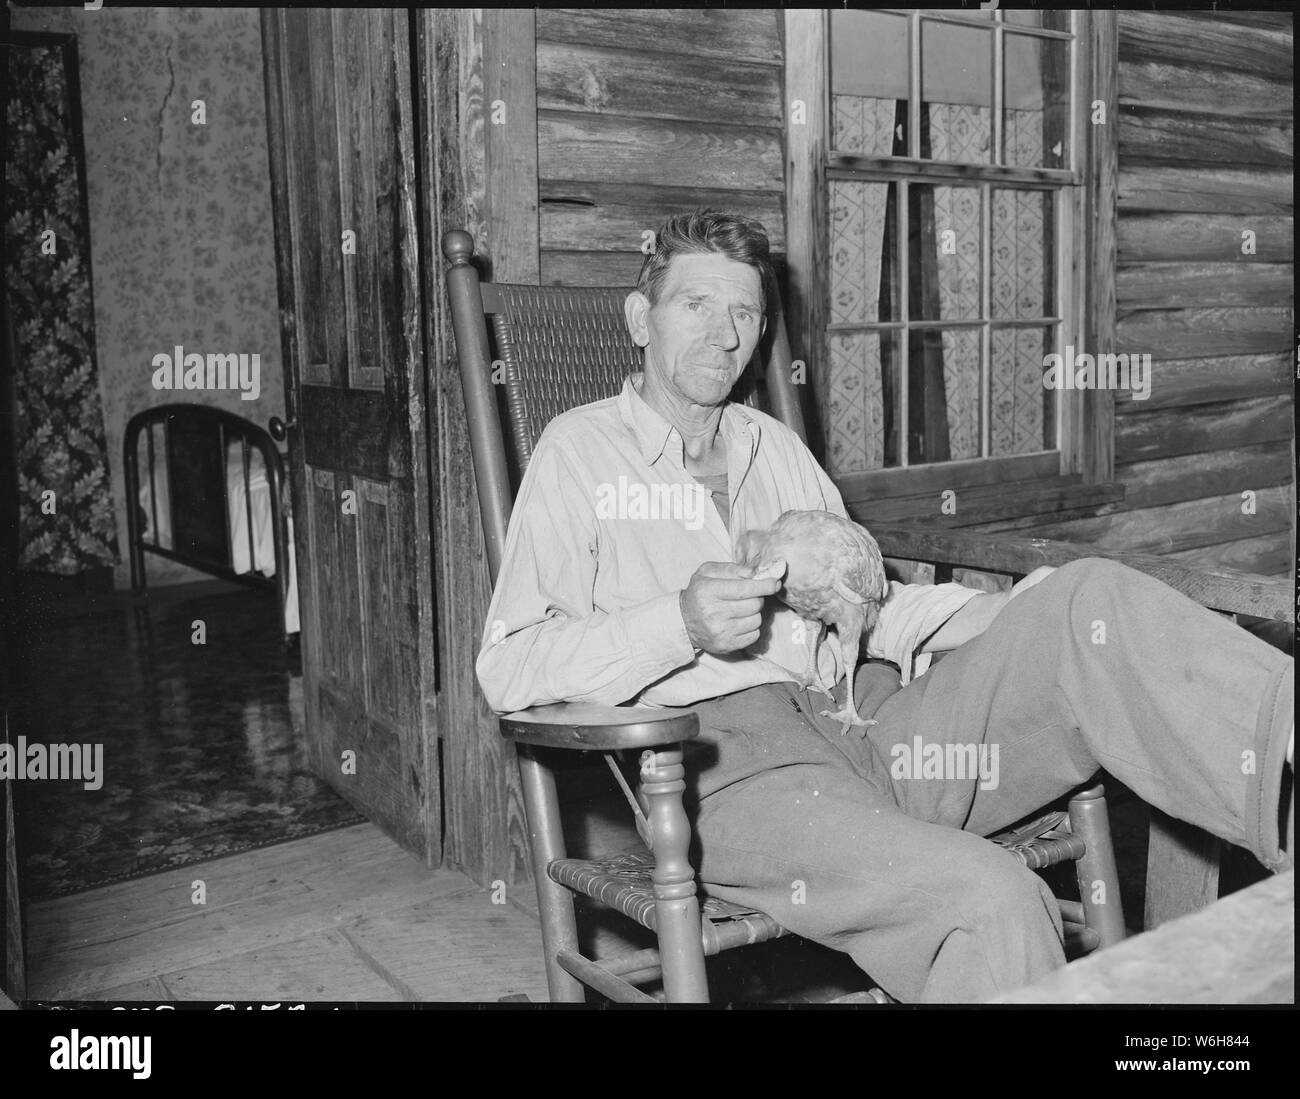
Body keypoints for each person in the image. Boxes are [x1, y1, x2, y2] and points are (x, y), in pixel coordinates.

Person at [475, 209, 1294, 1002]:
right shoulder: (577, 454)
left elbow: (875, 603)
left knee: (1089, 599)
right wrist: (677, 623)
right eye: (695, 304)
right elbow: (508, 666)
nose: (723, 334)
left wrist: (1012, 614)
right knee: (990, 898)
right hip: (732, 771)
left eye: (744, 312)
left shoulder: (778, 449)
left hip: (872, 726)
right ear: (640, 318)